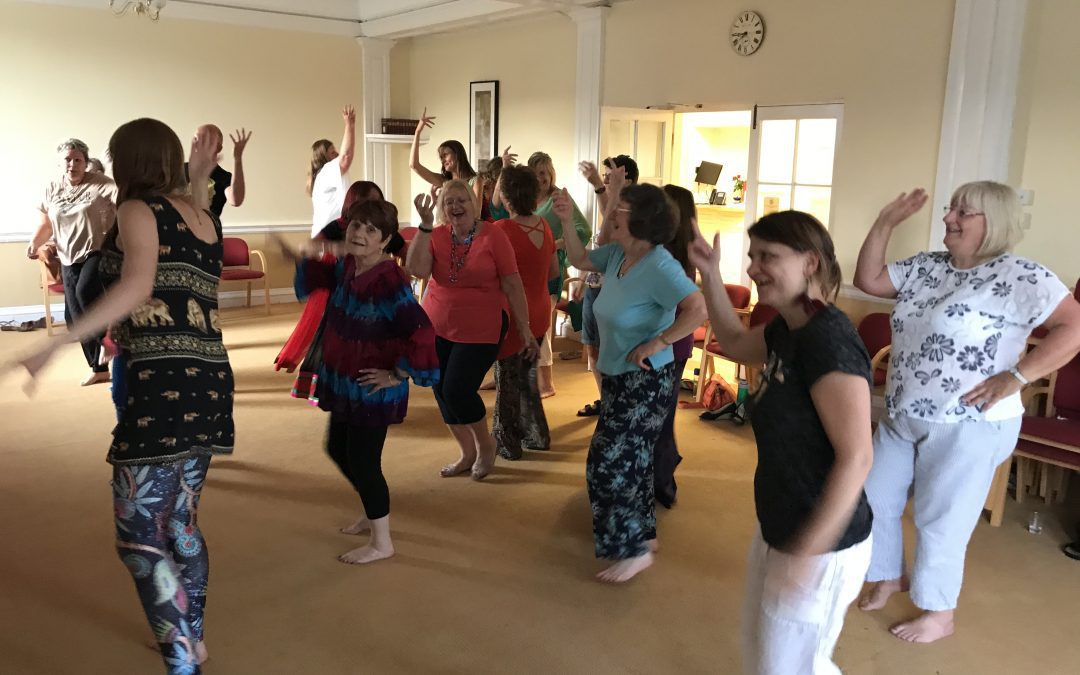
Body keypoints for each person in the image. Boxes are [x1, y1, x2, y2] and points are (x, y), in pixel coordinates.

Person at [6, 120, 232, 674]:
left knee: (139, 538)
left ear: (127, 160)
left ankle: (184, 663)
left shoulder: (138, 212)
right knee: (179, 523)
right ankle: (193, 636)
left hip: (162, 387)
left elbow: (137, 285)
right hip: (209, 384)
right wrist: (199, 174)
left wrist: (57, 344)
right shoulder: (202, 217)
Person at [854, 183, 1080, 643]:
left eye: (964, 211)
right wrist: (885, 222)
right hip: (903, 411)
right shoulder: (926, 266)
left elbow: (1074, 327)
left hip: (969, 423)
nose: (948, 218)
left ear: (992, 222)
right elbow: (869, 281)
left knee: (941, 519)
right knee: (873, 497)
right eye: (950, 208)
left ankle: (939, 612)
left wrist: (1016, 376)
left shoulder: (1021, 275)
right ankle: (888, 576)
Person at [689, 209, 874, 673]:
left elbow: (857, 457)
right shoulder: (787, 328)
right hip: (782, 522)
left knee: (791, 666)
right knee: (765, 655)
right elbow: (731, 341)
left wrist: (807, 553)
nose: (753, 268)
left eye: (768, 256)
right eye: (752, 256)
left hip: (823, 542)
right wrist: (710, 274)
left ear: (810, 263)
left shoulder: (827, 339)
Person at [555, 183, 705, 583]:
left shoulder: (660, 265)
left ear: (639, 221)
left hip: (647, 379)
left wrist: (659, 340)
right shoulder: (621, 253)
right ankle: (644, 536)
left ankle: (632, 549)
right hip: (619, 375)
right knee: (634, 461)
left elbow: (698, 307)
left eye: (619, 208)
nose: (611, 214)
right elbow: (579, 257)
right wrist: (568, 219)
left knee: (605, 465)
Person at [282, 199, 438, 565]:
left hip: (372, 387)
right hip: (347, 380)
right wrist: (305, 254)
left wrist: (398, 373)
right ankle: (372, 512)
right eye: (356, 226)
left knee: (364, 460)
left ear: (385, 241)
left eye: (371, 230)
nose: (360, 233)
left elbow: (421, 331)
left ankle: (382, 542)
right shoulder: (350, 265)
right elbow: (315, 284)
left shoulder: (389, 280)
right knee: (338, 448)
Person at [406, 180, 536, 480]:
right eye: (449, 201)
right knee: (440, 390)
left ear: (474, 203)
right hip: (437, 323)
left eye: (461, 199)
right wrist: (425, 226)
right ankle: (466, 453)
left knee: (457, 389)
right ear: (442, 207)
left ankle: (485, 446)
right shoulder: (436, 234)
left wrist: (524, 328)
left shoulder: (493, 235)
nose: (455, 206)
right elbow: (418, 270)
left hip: (482, 325)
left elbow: (513, 283)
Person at [494, 150, 591, 397]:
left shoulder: (556, 199)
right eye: (538, 173)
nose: (544, 177)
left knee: (540, 330)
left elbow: (582, 229)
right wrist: (505, 167)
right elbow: (496, 204)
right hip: (522, 273)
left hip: (543, 273)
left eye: (547, 172)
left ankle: (546, 382)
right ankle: (507, 379)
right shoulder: (521, 207)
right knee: (513, 334)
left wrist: (556, 244)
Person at [27, 138, 118, 385]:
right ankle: (99, 369)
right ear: (61, 163)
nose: (73, 164)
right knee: (73, 318)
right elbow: (46, 224)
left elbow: (126, 203)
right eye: (68, 159)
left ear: (86, 163)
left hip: (97, 250)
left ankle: (110, 342)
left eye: (78, 159)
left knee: (85, 290)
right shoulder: (51, 189)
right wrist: (35, 242)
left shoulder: (101, 184)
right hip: (67, 256)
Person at [274, 181, 385, 378]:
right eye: (366, 202)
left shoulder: (386, 226)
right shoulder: (339, 226)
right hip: (345, 299)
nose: (371, 207)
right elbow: (309, 249)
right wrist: (337, 248)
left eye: (377, 202)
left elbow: (407, 255)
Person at [491, 165, 558, 460]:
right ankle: (536, 434)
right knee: (527, 377)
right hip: (542, 310)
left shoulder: (501, 230)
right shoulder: (544, 225)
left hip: (515, 316)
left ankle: (508, 442)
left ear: (505, 197)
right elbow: (554, 271)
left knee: (508, 379)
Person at [576, 155, 639, 416]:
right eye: (604, 177)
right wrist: (581, 279)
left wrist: (604, 189)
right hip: (594, 285)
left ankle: (616, 404)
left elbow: (606, 233)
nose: (605, 180)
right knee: (593, 346)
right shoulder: (610, 201)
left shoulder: (636, 207)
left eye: (610, 177)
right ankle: (606, 401)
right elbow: (597, 241)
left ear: (627, 179)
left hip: (616, 289)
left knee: (613, 351)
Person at [654, 184, 697, 508]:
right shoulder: (670, 250)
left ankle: (663, 481)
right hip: (668, 346)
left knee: (661, 419)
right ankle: (661, 476)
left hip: (670, 346)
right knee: (660, 417)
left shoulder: (675, 257)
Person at [409, 107, 481, 204]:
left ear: (457, 154)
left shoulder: (475, 181)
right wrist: (417, 132)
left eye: (445, 155)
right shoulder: (443, 181)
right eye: (441, 157)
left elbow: (476, 214)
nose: (442, 160)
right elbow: (414, 165)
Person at [308, 105, 356, 237]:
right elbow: (346, 157)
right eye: (333, 152)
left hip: (328, 236)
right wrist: (349, 126)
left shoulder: (323, 175)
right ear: (324, 156)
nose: (337, 154)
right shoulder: (327, 172)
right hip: (327, 238)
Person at [184, 125, 251, 218]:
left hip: (207, 230)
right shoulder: (179, 169)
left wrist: (237, 159)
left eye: (206, 139)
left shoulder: (223, 176)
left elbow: (235, 200)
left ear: (218, 147)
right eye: (196, 138)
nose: (199, 143)